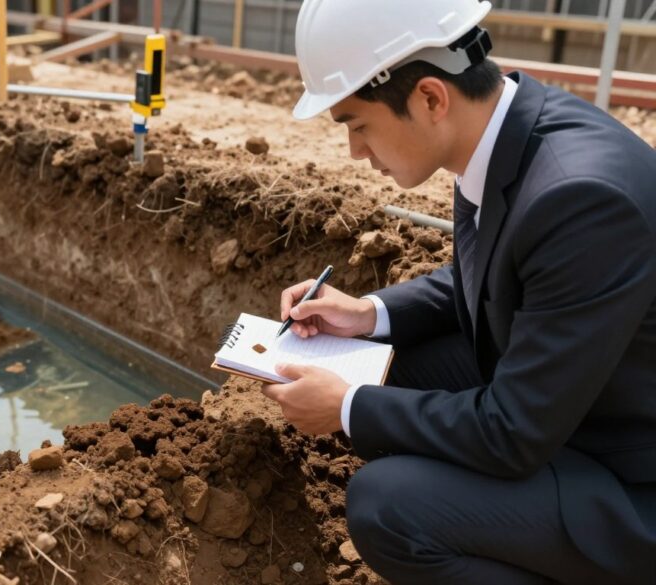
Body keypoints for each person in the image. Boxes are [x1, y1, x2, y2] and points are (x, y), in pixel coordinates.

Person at [259, 1, 656, 584]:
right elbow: (506, 276)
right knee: (389, 367)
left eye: (358, 125)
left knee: (387, 507)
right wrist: (368, 314)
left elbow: (512, 432)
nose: (356, 152)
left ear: (429, 99)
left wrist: (346, 406)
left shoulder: (582, 199)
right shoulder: (508, 137)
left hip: (630, 486)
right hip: (579, 409)